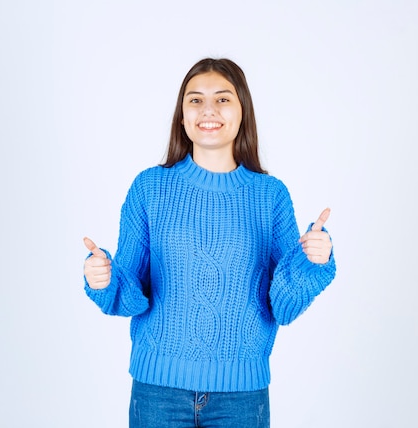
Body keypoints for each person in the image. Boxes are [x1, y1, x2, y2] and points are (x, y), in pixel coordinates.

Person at [82, 58, 336, 428]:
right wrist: (102, 278)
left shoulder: (270, 196)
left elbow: (283, 306)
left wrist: (312, 261)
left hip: (242, 397)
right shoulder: (149, 188)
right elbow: (132, 292)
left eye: (223, 99)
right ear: (182, 116)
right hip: (158, 392)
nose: (209, 110)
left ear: (242, 111)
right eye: (195, 100)